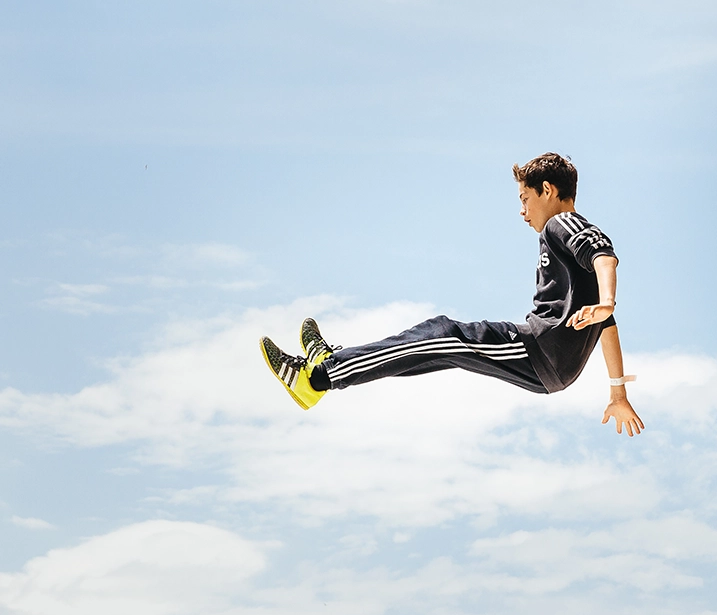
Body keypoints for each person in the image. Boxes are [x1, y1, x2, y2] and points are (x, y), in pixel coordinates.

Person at [259, 152, 645, 436]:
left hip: (538, 349)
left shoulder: (562, 223)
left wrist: (607, 301)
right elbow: (606, 325)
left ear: (547, 190)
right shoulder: (580, 278)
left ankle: (318, 377)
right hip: (553, 365)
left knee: (441, 332)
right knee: (434, 349)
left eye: (525, 200)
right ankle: (333, 366)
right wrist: (617, 392)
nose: (523, 213)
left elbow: (604, 256)